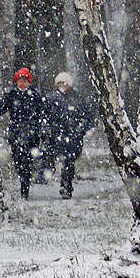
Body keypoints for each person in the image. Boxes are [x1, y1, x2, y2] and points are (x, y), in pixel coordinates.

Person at [0, 67, 46, 199]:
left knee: (27, 163)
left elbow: (42, 115)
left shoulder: (35, 96)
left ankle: (25, 189)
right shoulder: (11, 95)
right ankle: (23, 182)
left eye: (25, 81)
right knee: (18, 162)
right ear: (16, 81)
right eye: (20, 80)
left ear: (29, 82)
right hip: (16, 134)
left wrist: (43, 132)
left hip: (32, 135)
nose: (22, 83)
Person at [44, 71, 95, 199]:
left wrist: (78, 130)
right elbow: (44, 116)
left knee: (68, 164)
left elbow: (87, 118)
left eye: (64, 83)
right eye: (59, 83)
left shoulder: (78, 99)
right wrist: (48, 129)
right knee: (53, 159)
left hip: (73, 138)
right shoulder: (50, 99)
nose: (62, 85)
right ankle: (50, 179)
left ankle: (66, 187)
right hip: (55, 136)